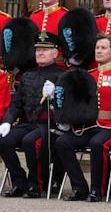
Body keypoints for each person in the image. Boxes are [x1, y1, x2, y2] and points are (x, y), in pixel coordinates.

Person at [55, 34, 111, 202]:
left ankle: (97, 190)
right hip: (87, 125)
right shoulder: (87, 75)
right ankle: (80, 188)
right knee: (62, 142)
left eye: (103, 48)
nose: (99, 51)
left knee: (97, 144)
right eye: (97, 48)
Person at [0, 32, 65, 198]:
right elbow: (16, 104)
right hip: (28, 124)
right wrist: (7, 121)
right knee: (3, 140)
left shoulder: (62, 76)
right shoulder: (28, 75)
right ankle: (19, 182)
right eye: (38, 50)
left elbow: (67, 107)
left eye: (45, 49)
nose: (40, 53)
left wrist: (54, 97)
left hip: (50, 126)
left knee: (30, 141)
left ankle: (36, 184)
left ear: (55, 53)